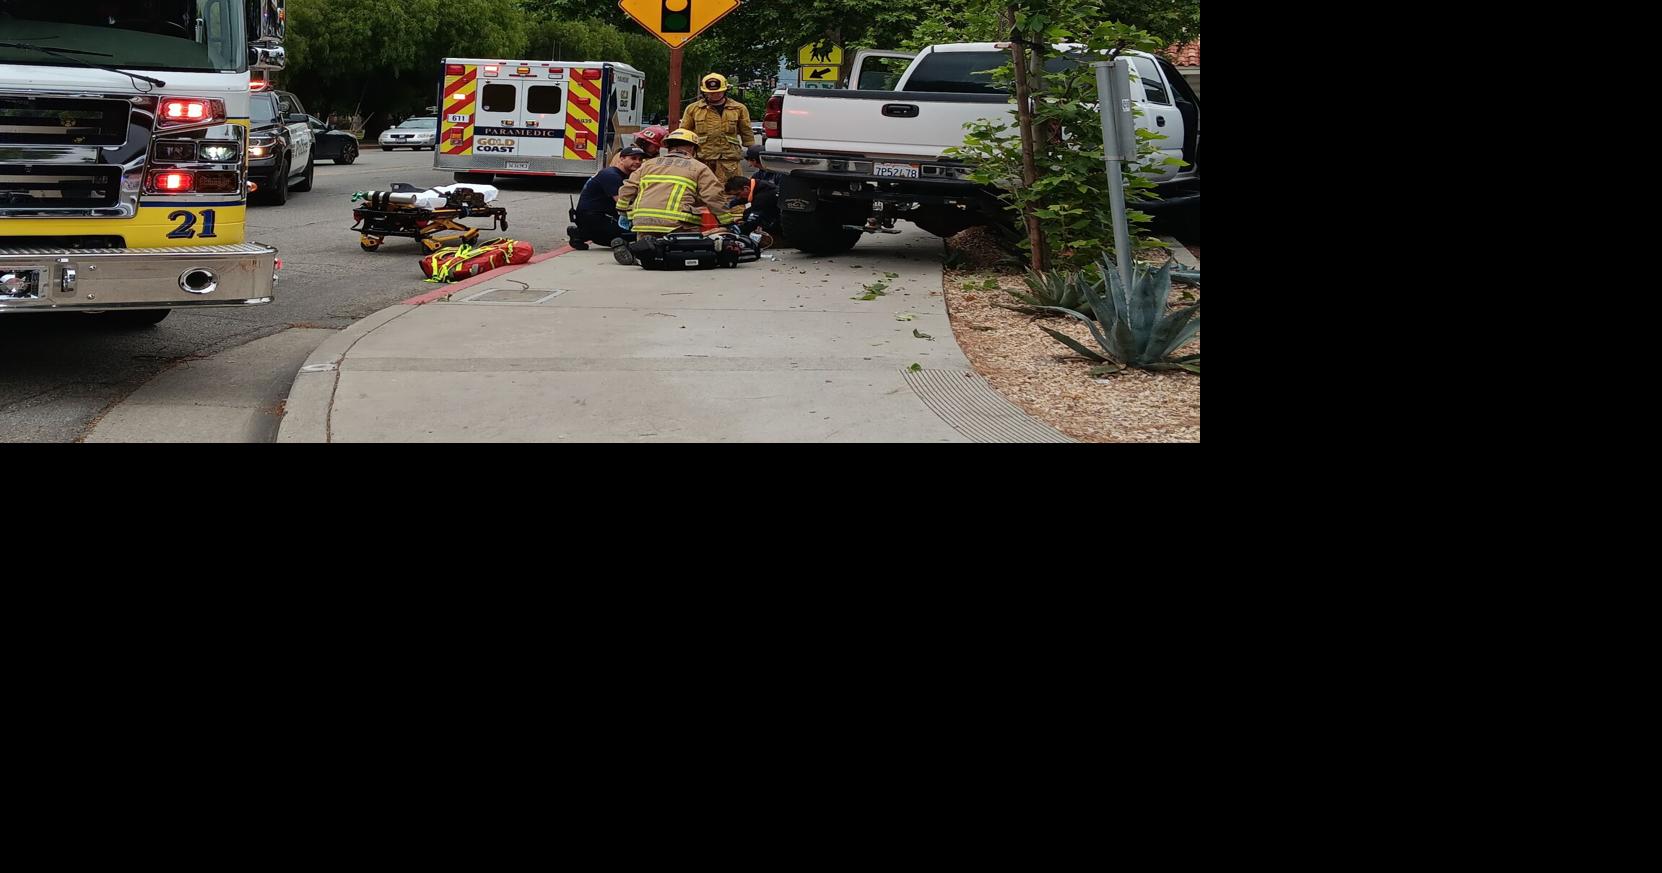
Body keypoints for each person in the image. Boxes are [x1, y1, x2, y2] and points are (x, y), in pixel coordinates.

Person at [613, 128, 729, 265]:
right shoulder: (698, 167)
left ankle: (636, 251)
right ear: (692, 148)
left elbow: (628, 189)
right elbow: (714, 196)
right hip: (677, 224)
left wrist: (622, 210)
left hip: (643, 222)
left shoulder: (648, 165)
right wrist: (726, 221)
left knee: (647, 248)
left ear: (669, 147)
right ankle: (659, 252)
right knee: (692, 247)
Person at [678, 73, 753, 185]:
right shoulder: (693, 109)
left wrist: (752, 152)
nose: (715, 95)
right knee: (703, 194)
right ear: (705, 92)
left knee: (732, 195)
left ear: (725, 90)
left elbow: (746, 131)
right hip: (703, 160)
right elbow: (684, 133)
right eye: (711, 93)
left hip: (729, 161)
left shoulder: (738, 108)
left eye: (718, 92)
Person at [568, 146, 645, 250]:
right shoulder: (611, 175)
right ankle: (582, 233)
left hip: (597, 217)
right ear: (621, 159)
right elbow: (622, 203)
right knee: (635, 235)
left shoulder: (618, 174)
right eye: (633, 158)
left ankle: (583, 233)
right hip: (595, 219)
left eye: (640, 159)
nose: (638, 162)